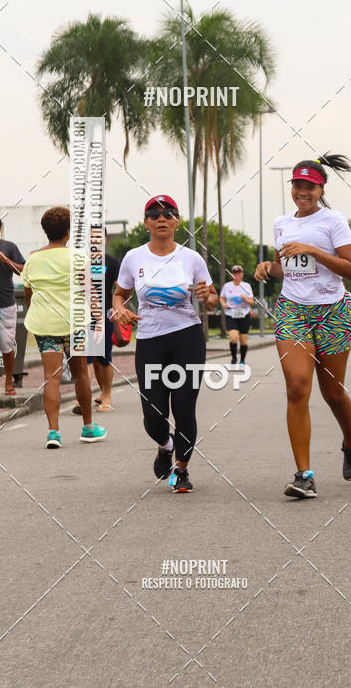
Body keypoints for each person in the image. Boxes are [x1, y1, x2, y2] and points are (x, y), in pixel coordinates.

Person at [255, 153, 351, 500]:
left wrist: (314, 251)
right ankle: (304, 475)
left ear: (321, 189)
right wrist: (268, 268)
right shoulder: (281, 223)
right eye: (297, 185)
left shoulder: (334, 221)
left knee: (333, 393)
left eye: (310, 187)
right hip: (293, 310)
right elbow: (287, 268)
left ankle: (350, 440)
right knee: (297, 387)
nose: (302, 192)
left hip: (332, 311)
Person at [112, 195, 219, 492]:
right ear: (146, 222)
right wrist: (119, 310)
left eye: (168, 213)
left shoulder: (192, 258)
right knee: (154, 415)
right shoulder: (134, 258)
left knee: (184, 408)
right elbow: (119, 295)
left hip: (187, 337)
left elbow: (212, 299)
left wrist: (206, 298)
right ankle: (165, 445)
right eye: (155, 214)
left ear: (177, 221)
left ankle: (181, 469)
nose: (162, 218)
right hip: (150, 341)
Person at [20, 206, 107, 448]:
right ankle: (88, 427)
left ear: (45, 231)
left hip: (45, 325)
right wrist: (99, 319)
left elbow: (28, 295)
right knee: (81, 374)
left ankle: (53, 433)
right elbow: (90, 291)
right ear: (68, 232)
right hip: (76, 324)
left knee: (51, 377)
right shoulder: (78, 257)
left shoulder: (33, 259)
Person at [73, 228, 120, 414]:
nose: (94, 240)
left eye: (98, 237)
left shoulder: (112, 262)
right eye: (91, 237)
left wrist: (117, 308)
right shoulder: (80, 262)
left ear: (105, 239)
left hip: (104, 315)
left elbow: (121, 289)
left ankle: (106, 395)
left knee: (103, 358)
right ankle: (83, 396)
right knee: (83, 359)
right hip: (81, 316)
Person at [0, 217, 25, 396]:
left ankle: (9, 380)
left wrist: (6, 260)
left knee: (7, 345)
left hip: (5, 302)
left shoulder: (9, 247)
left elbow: (22, 270)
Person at [220, 265, 254, 365]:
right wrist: (223, 304)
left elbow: (251, 302)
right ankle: (234, 358)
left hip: (244, 314)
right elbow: (221, 297)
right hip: (231, 314)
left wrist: (245, 300)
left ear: (242, 274)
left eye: (239, 273)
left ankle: (242, 360)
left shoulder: (246, 286)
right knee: (233, 337)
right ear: (232, 274)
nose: (237, 275)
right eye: (235, 273)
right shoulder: (227, 286)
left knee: (243, 340)